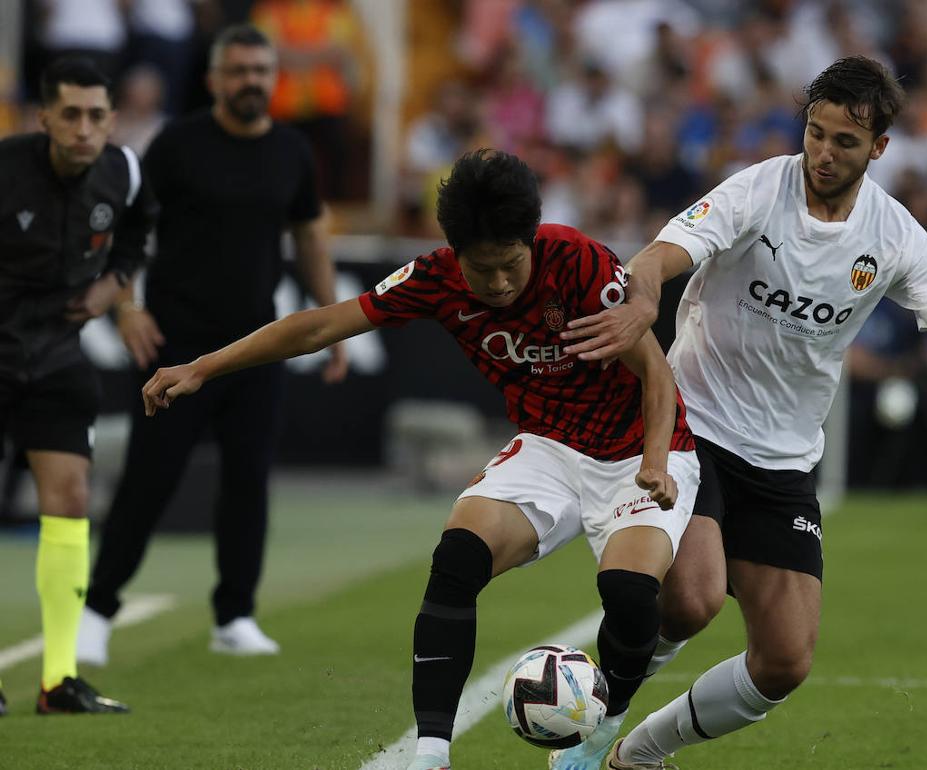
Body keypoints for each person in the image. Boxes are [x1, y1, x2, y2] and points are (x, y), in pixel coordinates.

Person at [558, 56, 927, 768]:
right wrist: (646, 293)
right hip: (694, 426)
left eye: (844, 141)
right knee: (691, 600)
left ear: (879, 149)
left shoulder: (896, 236)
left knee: (784, 662)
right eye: (816, 133)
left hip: (782, 458)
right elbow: (657, 255)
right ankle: (592, 736)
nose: (824, 153)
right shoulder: (755, 190)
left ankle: (639, 753)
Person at [137, 149, 701, 770]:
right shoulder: (433, 279)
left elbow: (655, 369)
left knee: (627, 592)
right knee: (457, 557)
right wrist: (202, 368)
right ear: (455, 252)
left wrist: (653, 460)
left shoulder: (580, 262)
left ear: (532, 241)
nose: (501, 284)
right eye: (484, 270)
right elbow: (318, 327)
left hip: (640, 449)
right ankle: (430, 754)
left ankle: (600, 734)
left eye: (512, 265)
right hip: (550, 447)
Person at [78, 24, 347, 664]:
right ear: (214, 79)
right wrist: (127, 307)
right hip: (174, 347)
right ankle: (96, 611)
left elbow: (309, 236)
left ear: (274, 76)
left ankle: (235, 616)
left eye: (261, 70)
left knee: (248, 483)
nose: (251, 81)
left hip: (258, 348)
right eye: (239, 70)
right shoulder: (178, 145)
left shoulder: (292, 150)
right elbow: (127, 228)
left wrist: (333, 323)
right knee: (149, 481)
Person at [0, 56, 153, 714]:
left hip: (57, 355)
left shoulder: (125, 171)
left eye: (96, 116)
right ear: (45, 119)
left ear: (112, 120)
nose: (84, 128)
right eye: (71, 115)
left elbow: (136, 236)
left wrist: (114, 291)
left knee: (70, 499)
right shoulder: (5, 171)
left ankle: (57, 680)